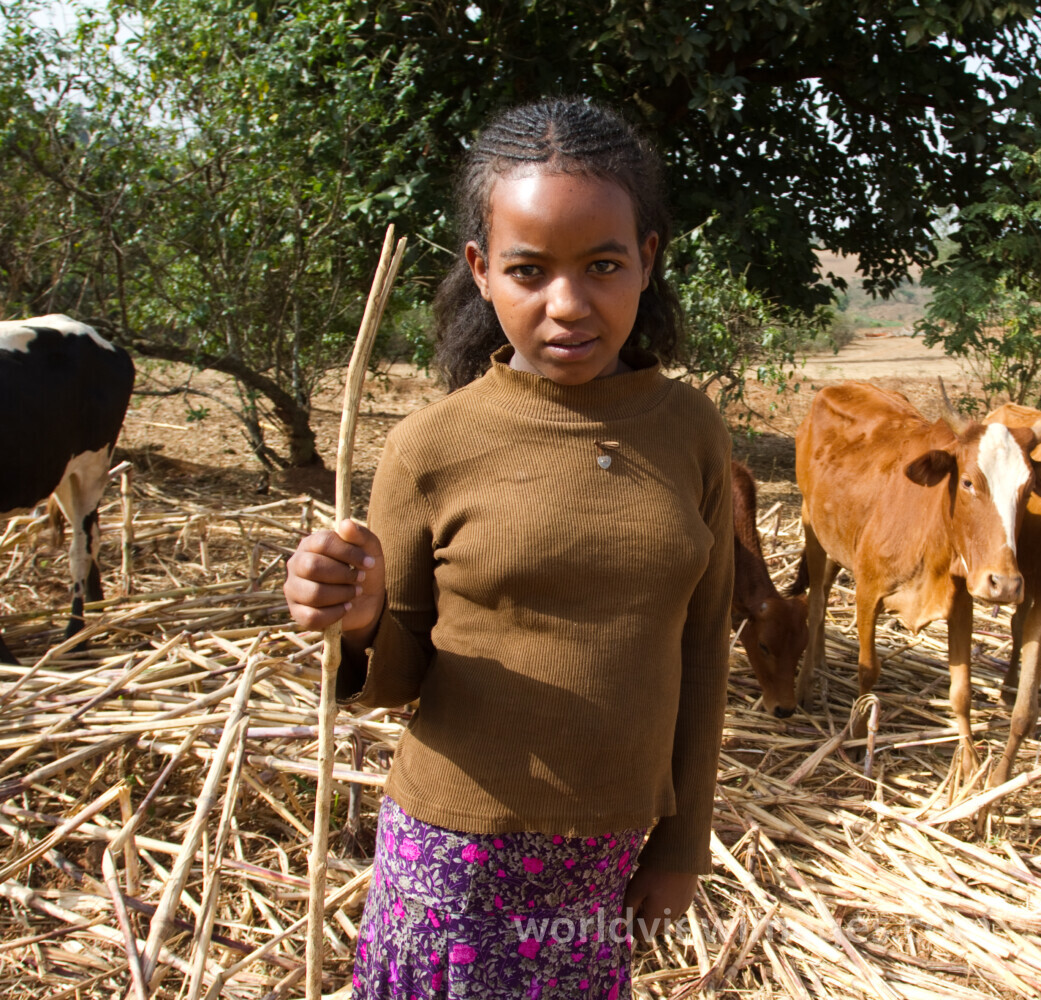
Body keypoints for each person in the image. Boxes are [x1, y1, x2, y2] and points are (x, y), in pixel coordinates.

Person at [283, 98, 733, 1000]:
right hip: (457, 853)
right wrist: (359, 617)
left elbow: (704, 643)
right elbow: (401, 672)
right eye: (529, 270)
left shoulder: (690, 431)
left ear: (648, 259)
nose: (568, 305)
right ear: (482, 273)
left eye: (603, 264)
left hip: (606, 852)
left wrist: (681, 845)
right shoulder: (431, 448)